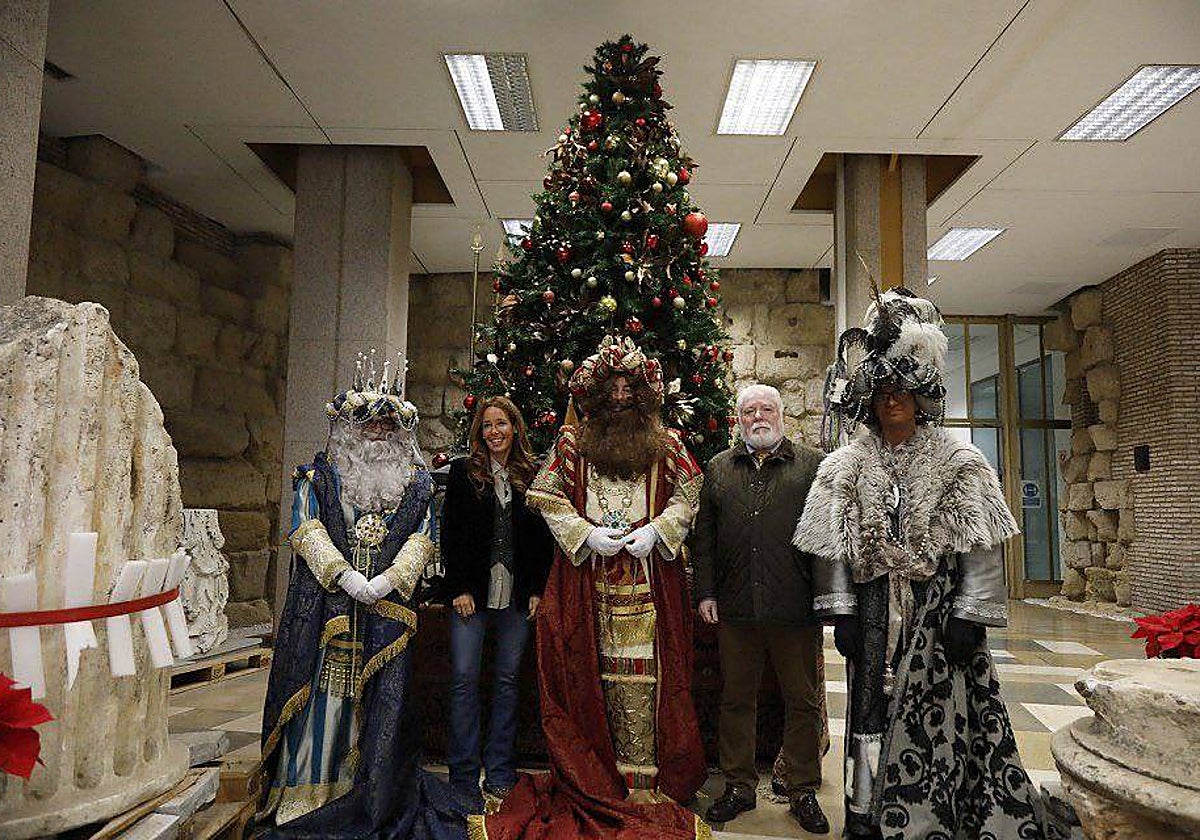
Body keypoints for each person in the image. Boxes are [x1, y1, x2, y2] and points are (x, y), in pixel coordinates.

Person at [794, 289, 1045, 839]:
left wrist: (969, 614)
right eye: (883, 393)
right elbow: (829, 543)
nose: (892, 402)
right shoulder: (846, 464)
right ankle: (866, 813)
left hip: (939, 609)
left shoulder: (961, 459)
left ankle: (935, 814)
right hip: (876, 605)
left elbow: (982, 543)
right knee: (869, 712)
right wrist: (843, 614)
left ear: (922, 396)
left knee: (945, 713)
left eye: (903, 392)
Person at [476, 336, 709, 840]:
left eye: (630, 389)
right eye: (612, 390)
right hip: (590, 587)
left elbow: (691, 492)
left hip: (650, 586)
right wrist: (584, 534)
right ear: (597, 396)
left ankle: (647, 779)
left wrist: (659, 529)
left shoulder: (667, 444)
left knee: (650, 678)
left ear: (643, 394)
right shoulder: (572, 445)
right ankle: (602, 775)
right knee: (593, 677)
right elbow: (543, 492)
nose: (621, 397)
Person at [258, 353, 464, 839]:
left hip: (387, 614)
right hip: (329, 607)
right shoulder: (318, 477)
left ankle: (367, 792)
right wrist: (344, 575)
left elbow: (423, 535)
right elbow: (306, 527)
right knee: (321, 697)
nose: (377, 435)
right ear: (349, 428)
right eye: (368, 425)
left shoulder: (415, 485)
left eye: (387, 428)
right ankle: (308, 796)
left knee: (382, 704)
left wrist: (390, 579)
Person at [690, 383, 829, 834]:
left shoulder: (811, 466)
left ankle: (803, 789)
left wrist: (827, 600)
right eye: (749, 411)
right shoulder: (718, 469)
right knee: (736, 699)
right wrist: (706, 593)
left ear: (781, 415)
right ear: (739, 420)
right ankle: (738, 786)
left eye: (766, 409)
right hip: (735, 608)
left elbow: (826, 539)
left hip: (795, 607)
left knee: (802, 700)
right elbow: (704, 541)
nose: (758, 417)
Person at [440, 396, 553, 811]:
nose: (494, 432)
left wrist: (538, 587)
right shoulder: (462, 473)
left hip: (519, 595)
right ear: (479, 432)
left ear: (515, 427)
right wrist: (459, 588)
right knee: (465, 679)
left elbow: (544, 539)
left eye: (501, 423)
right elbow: (449, 535)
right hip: (471, 594)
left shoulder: (534, 474)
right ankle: (464, 775)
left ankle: (501, 773)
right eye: (486, 425)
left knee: (507, 681)